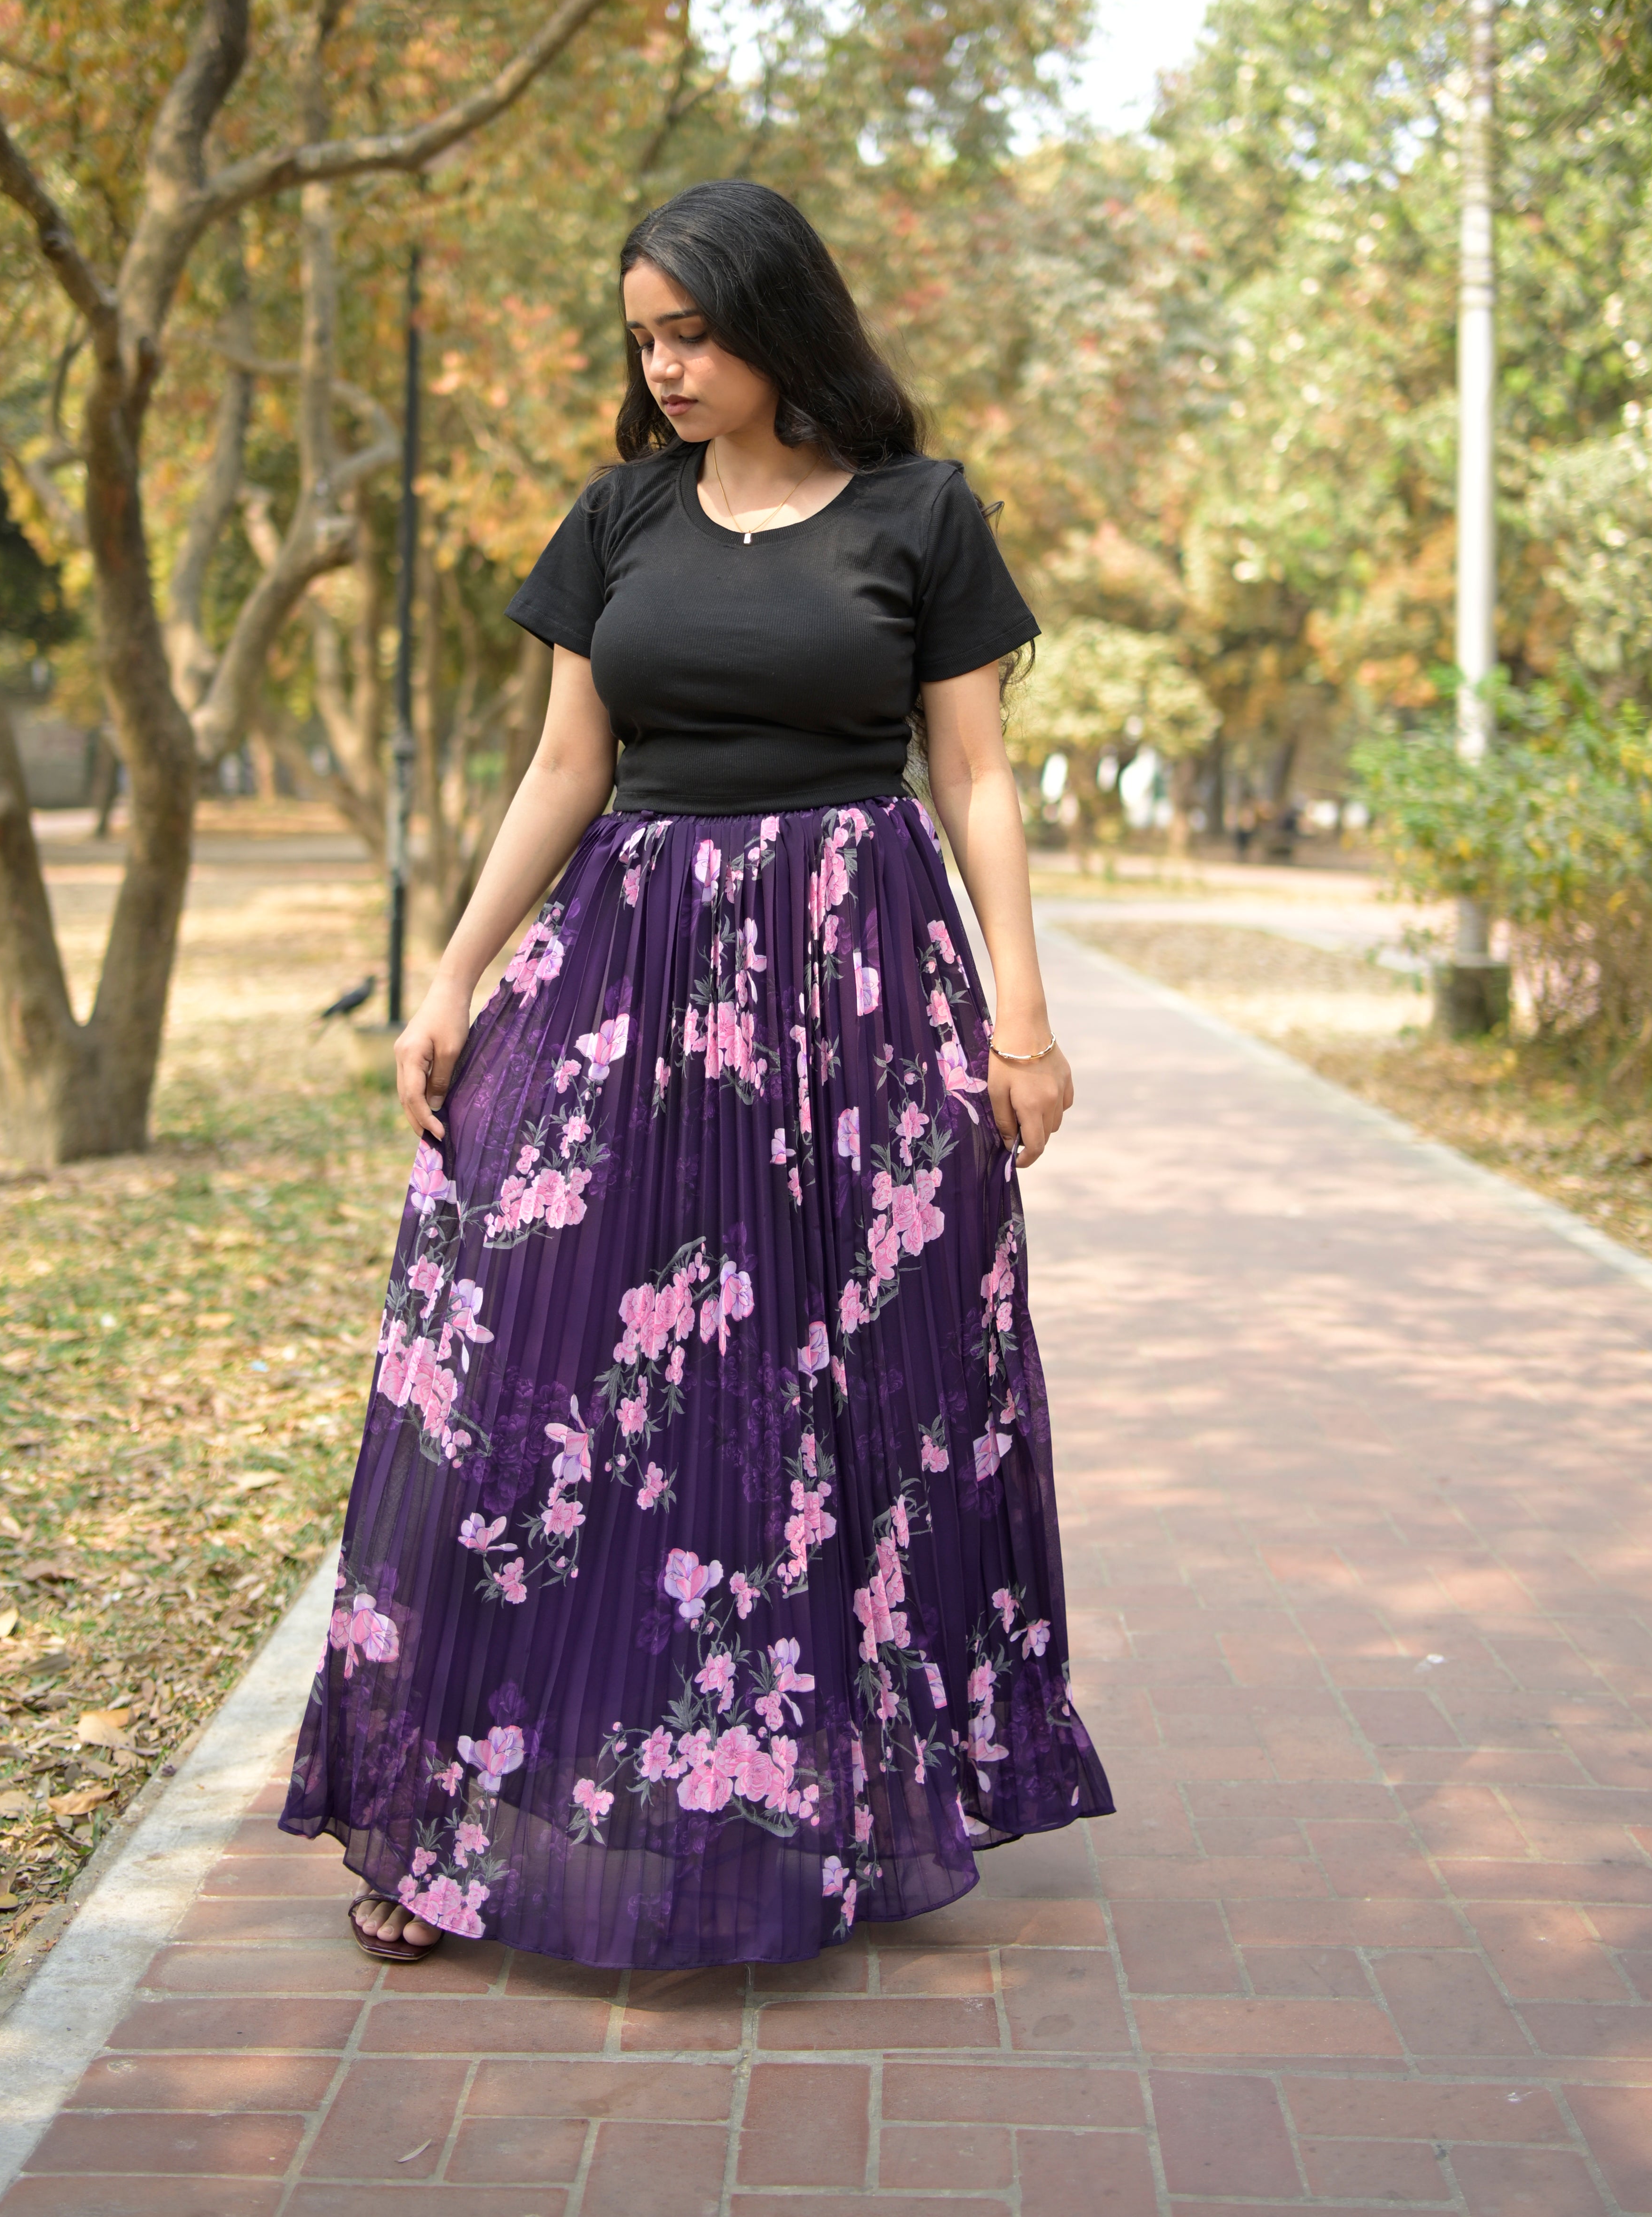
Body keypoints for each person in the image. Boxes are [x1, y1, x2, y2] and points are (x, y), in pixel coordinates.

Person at [279, 180, 1113, 1968]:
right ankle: (457, 1825)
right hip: (628, 983)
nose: (662, 365)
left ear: (778, 326)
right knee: (538, 1374)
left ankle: (799, 1808)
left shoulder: (922, 513)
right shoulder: (619, 517)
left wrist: (1021, 1022)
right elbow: (568, 763)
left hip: (860, 996)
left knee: (844, 1394)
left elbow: (974, 779)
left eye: (692, 333)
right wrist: (450, 974)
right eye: (642, 335)